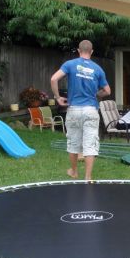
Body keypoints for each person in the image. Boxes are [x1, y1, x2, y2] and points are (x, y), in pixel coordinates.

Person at [50, 40, 110, 180]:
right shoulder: (98, 69)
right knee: (90, 143)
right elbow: (107, 90)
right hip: (90, 110)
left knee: (73, 142)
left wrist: (58, 97)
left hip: (74, 110)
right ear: (92, 51)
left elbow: (54, 79)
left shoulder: (70, 64)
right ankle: (88, 177)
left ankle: (74, 171)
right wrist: (97, 94)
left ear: (78, 50)